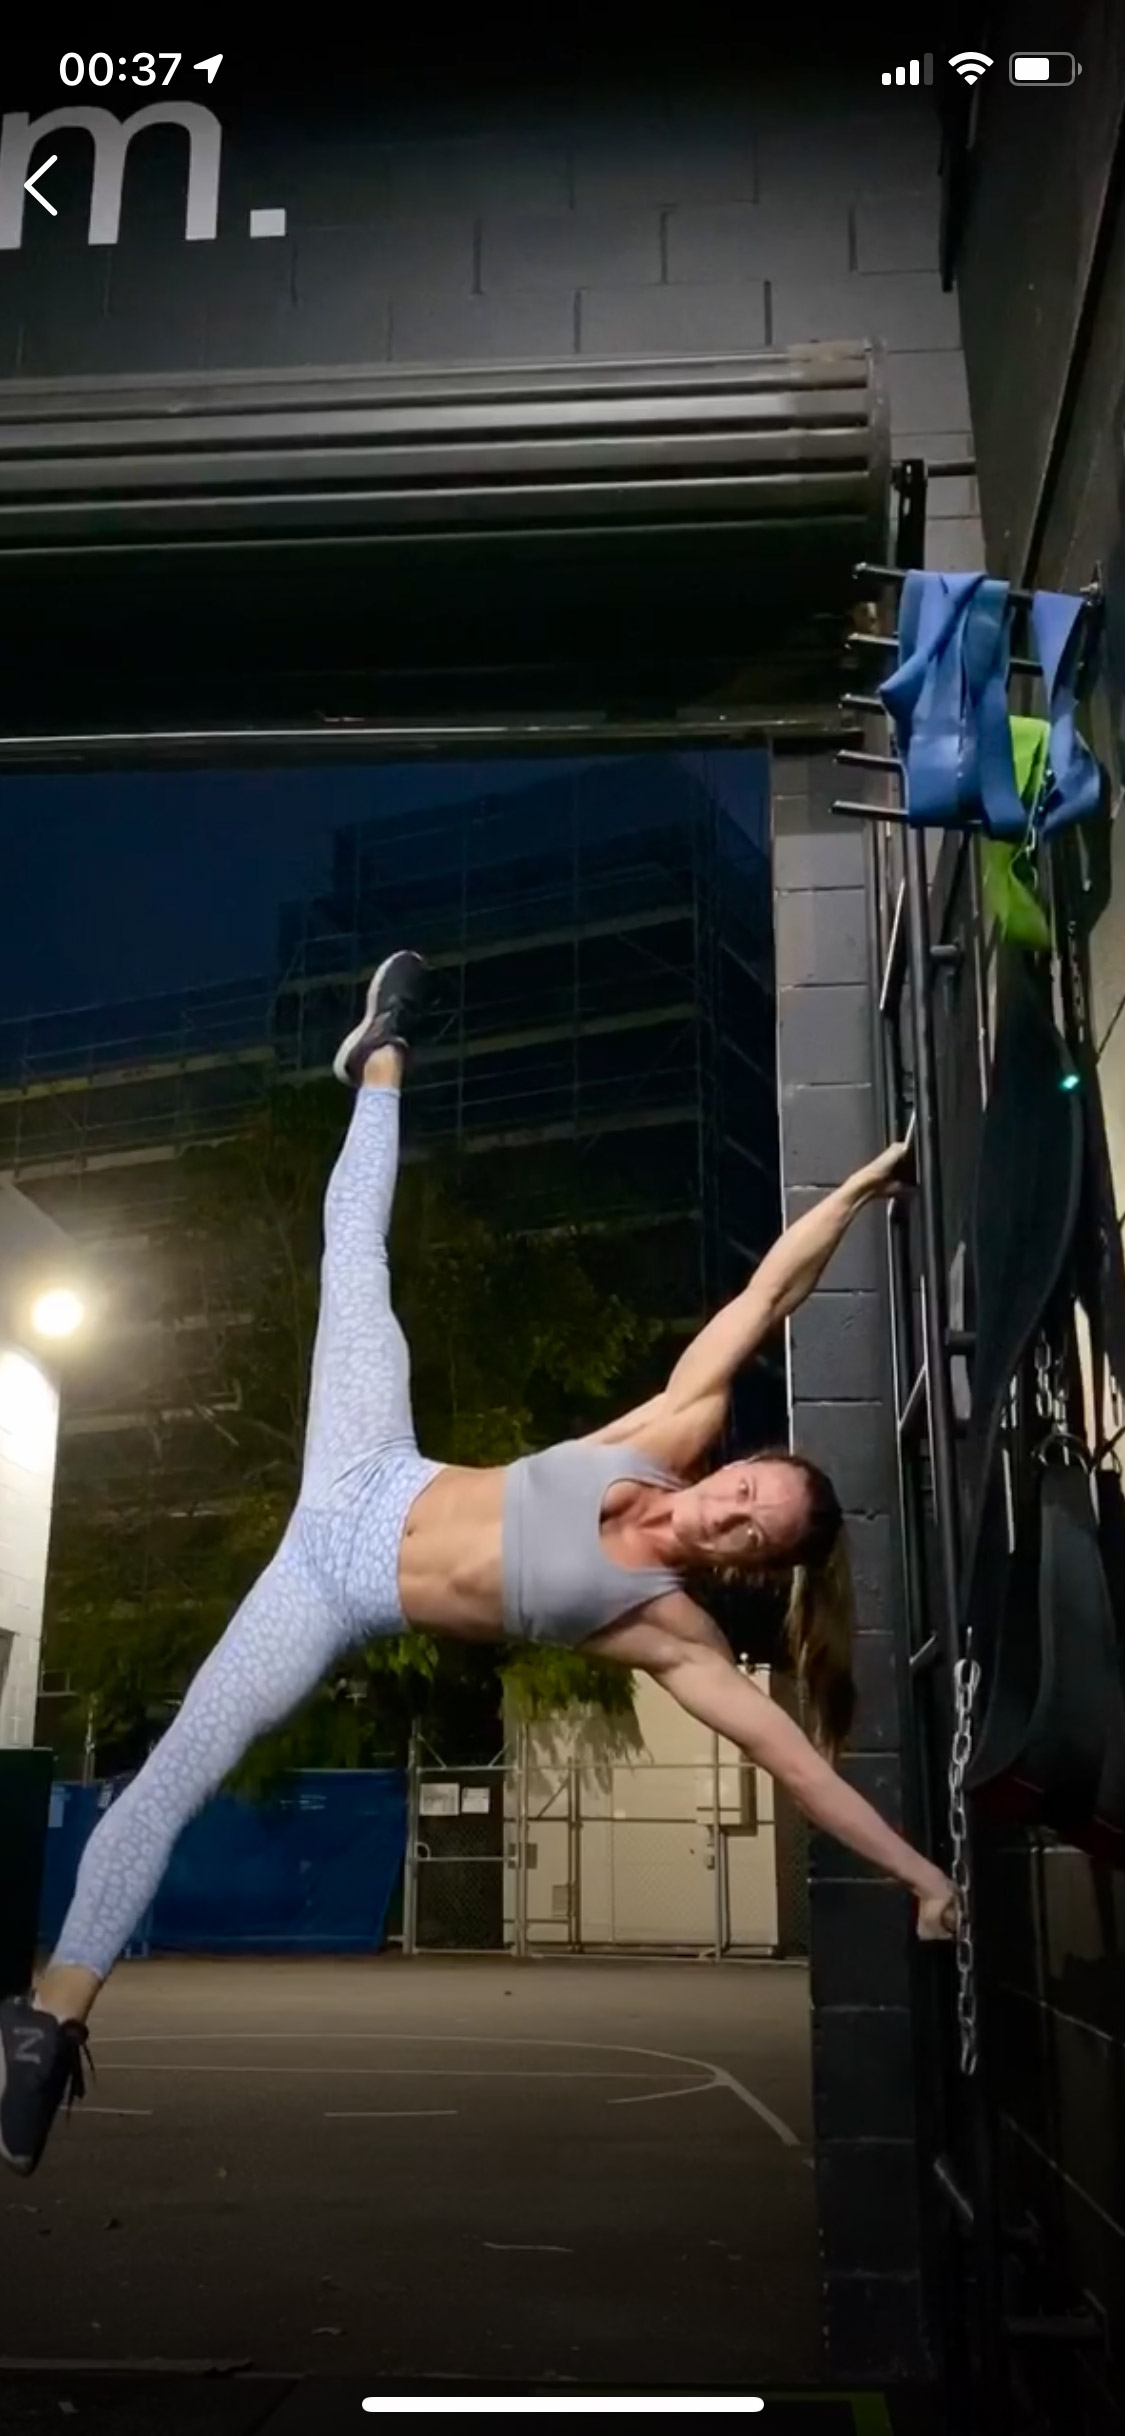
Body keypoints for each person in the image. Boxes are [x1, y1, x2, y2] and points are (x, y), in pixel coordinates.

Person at [0, 952, 955, 2178]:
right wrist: (862, 1187)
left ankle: (44, 2028)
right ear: (738, 1466)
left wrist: (921, 1878)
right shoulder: (666, 1435)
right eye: (743, 1489)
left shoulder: (671, 1635)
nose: (727, 1512)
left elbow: (801, 1774)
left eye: (750, 1532)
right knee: (357, 1264)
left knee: (180, 1773)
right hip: (369, 1468)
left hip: (332, 1592)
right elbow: (771, 1294)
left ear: (752, 1567)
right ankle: (382, 1056)